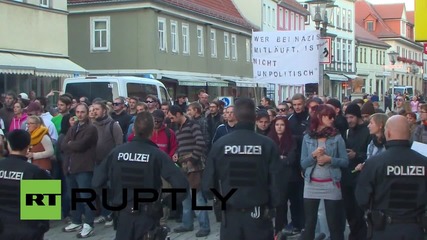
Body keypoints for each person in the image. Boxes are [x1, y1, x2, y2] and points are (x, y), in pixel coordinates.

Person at [92, 111, 189, 240]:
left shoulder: (116, 152)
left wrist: (112, 198)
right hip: (147, 216)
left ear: (134, 129)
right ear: (152, 131)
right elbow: (182, 185)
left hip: (123, 215)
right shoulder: (157, 155)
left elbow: (96, 183)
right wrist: (165, 203)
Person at [202, 98, 285, 240]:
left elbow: (208, 185)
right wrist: (273, 206)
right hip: (258, 213)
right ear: (255, 117)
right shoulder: (267, 145)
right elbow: (277, 183)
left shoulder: (221, 145)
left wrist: (218, 199)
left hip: (230, 213)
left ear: (235, 116)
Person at [355, 115, 427, 240]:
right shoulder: (423, 162)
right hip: (416, 229)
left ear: (387, 132)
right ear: (409, 133)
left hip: (383, 229)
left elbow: (362, 197)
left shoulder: (374, 163)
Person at [300, 104, 348, 240]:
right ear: (320, 117)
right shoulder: (308, 137)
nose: (333, 119)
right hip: (311, 184)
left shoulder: (337, 137)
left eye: (334, 117)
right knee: (310, 223)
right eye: (330, 116)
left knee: (334, 224)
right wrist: (313, 155)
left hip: (331, 184)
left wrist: (330, 159)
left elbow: (345, 161)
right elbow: (303, 163)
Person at [0, 129, 50, 239]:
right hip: (27, 231)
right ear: (28, 146)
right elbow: (45, 211)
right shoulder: (36, 172)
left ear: (8, 144)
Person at [61, 103, 98, 238]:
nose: (80, 114)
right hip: (70, 167)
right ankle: (76, 220)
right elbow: (63, 144)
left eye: (82, 112)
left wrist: (71, 144)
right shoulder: (73, 127)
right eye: (77, 112)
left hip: (84, 167)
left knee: (86, 197)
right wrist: (71, 144)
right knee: (73, 196)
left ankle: (89, 224)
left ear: (87, 113)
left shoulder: (91, 128)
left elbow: (82, 145)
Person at [267, 116, 296, 235]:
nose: (279, 127)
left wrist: (280, 159)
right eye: (277, 124)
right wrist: (281, 158)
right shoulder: (268, 139)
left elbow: (291, 159)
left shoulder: (291, 139)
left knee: (284, 204)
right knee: (276, 204)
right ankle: (276, 229)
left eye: (282, 125)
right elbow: (268, 159)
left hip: (287, 178)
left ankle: (284, 228)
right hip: (272, 177)